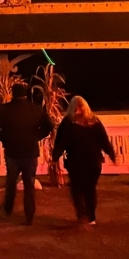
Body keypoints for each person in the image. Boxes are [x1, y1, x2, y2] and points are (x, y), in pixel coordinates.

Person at [0, 84, 53, 226]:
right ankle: (29, 214)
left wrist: (4, 137)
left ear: (13, 94)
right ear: (26, 94)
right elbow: (49, 126)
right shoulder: (36, 109)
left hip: (12, 151)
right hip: (30, 151)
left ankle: (8, 208)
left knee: (11, 181)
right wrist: (37, 136)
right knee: (29, 184)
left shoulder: (4, 109)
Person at [52, 96, 117, 228]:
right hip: (93, 161)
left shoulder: (68, 122)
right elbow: (104, 140)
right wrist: (111, 154)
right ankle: (90, 216)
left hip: (77, 161)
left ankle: (83, 214)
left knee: (78, 189)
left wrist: (55, 157)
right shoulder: (95, 122)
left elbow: (61, 142)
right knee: (89, 189)